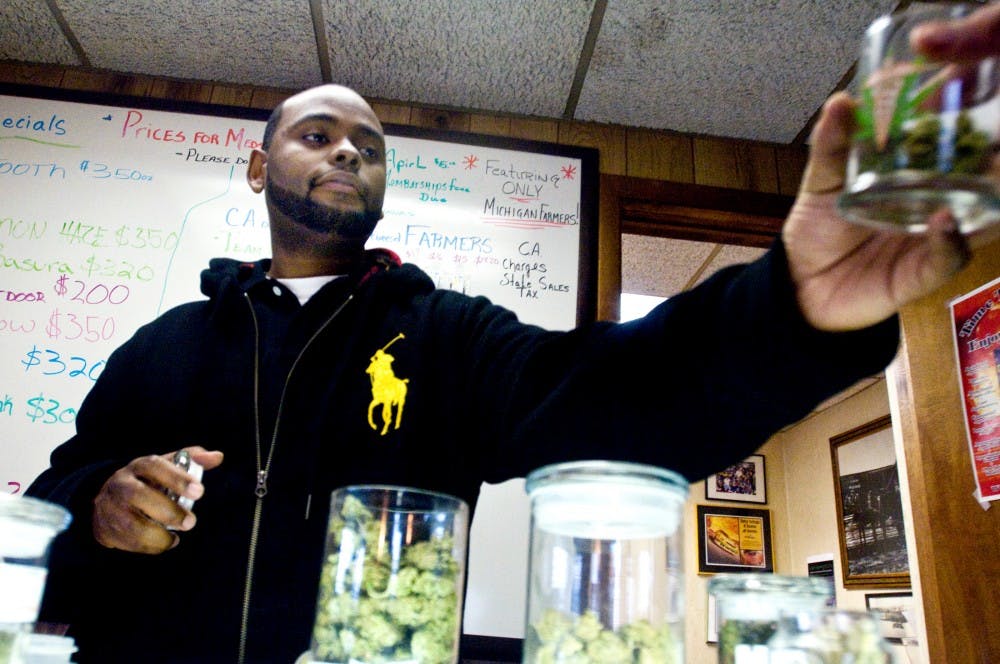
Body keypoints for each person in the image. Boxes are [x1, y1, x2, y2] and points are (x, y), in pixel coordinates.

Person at [25, 4, 1000, 662]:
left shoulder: (443, 336)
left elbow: (623, 398)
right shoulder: (164, 342)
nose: (348, 153)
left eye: (368, 145)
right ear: (254, 168)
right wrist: (101, 501)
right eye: (317, 134)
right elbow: (49, 505)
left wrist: (795, 303)